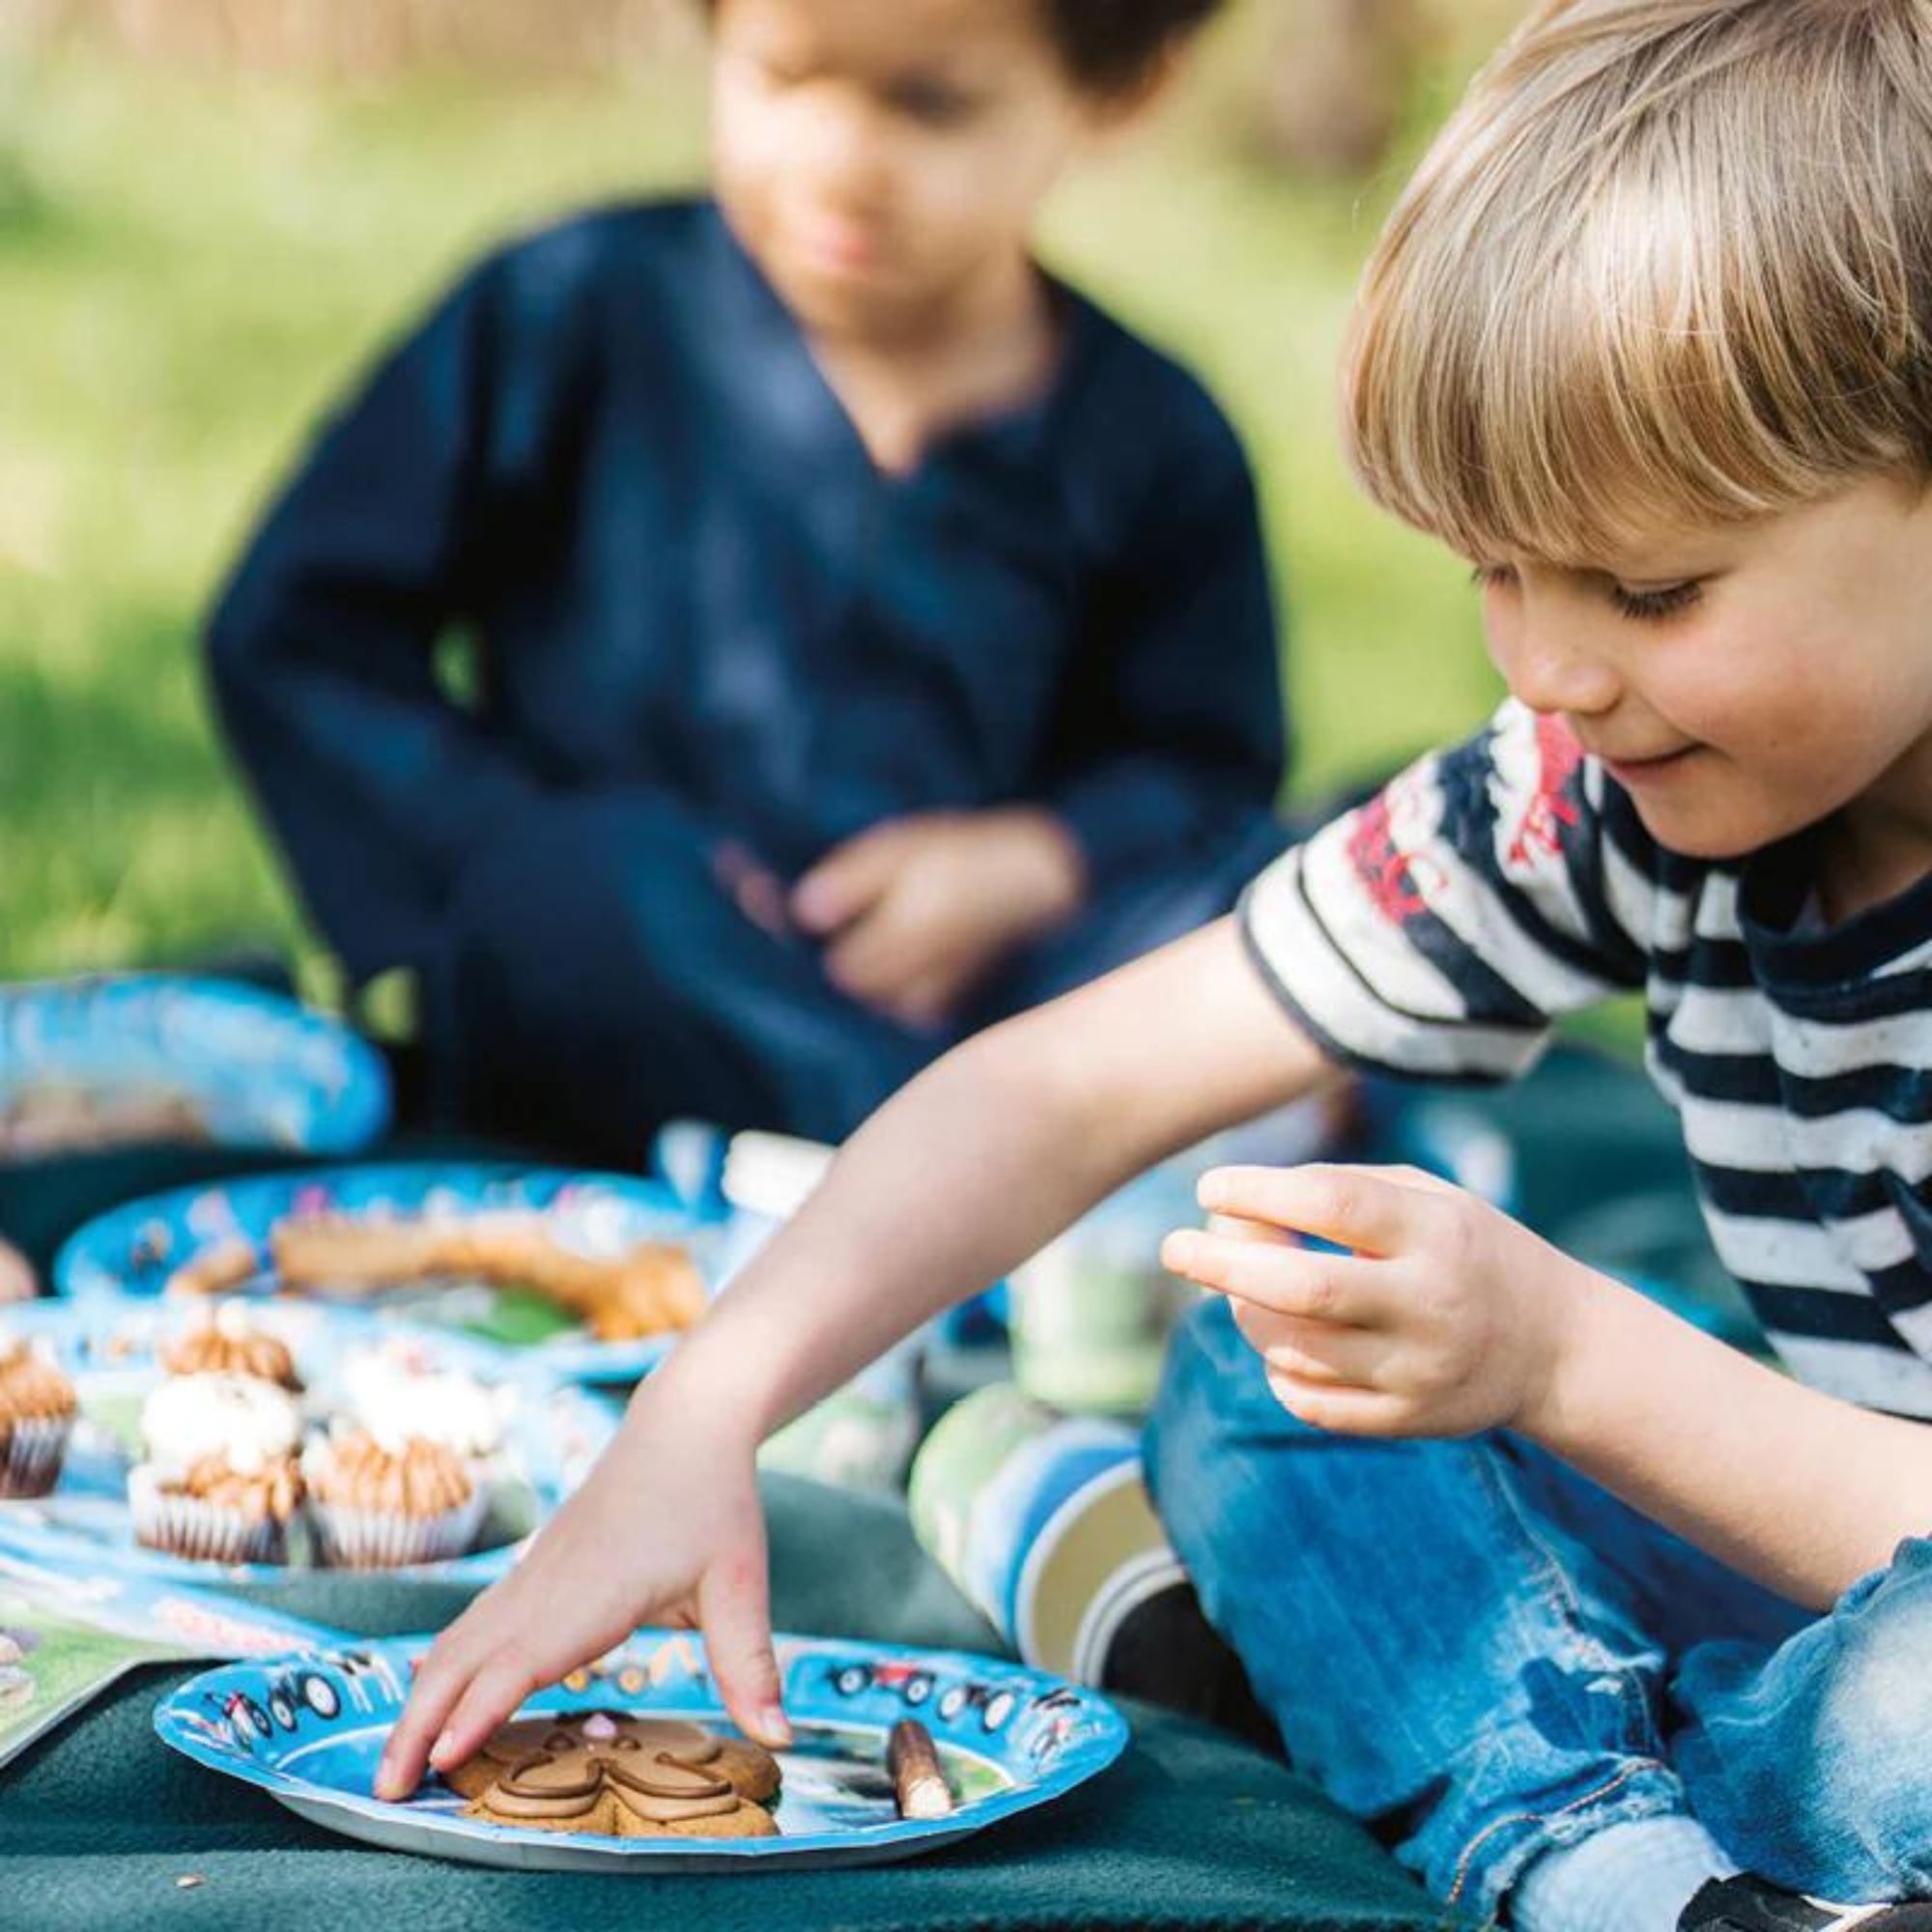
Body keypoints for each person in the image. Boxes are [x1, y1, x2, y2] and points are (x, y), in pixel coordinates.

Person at [376, 2, 1932, 1926]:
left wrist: (1554, 1352)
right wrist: (700, 1416)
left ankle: (1592, 1782)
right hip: (1819, 1571)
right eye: (1497, 570)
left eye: (1653, 587)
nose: (1546, 668)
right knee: (1271, 1369)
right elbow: (1064, 1083)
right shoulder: (1587, 782)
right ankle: (1629, 1866)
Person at [205, 0, 1287, 1162]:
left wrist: (1031, 863)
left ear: (1121, 88)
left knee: (1303, 886)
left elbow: (1204, 767)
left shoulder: (1154, 440)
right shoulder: (570, 310)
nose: (836, 164)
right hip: (644, 988)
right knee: (575, 894)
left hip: (988, 1003)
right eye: (779, 77)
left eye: (928, 104)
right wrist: (508, 843)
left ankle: (959, 1160)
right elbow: (298, 632)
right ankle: (954, 1177)